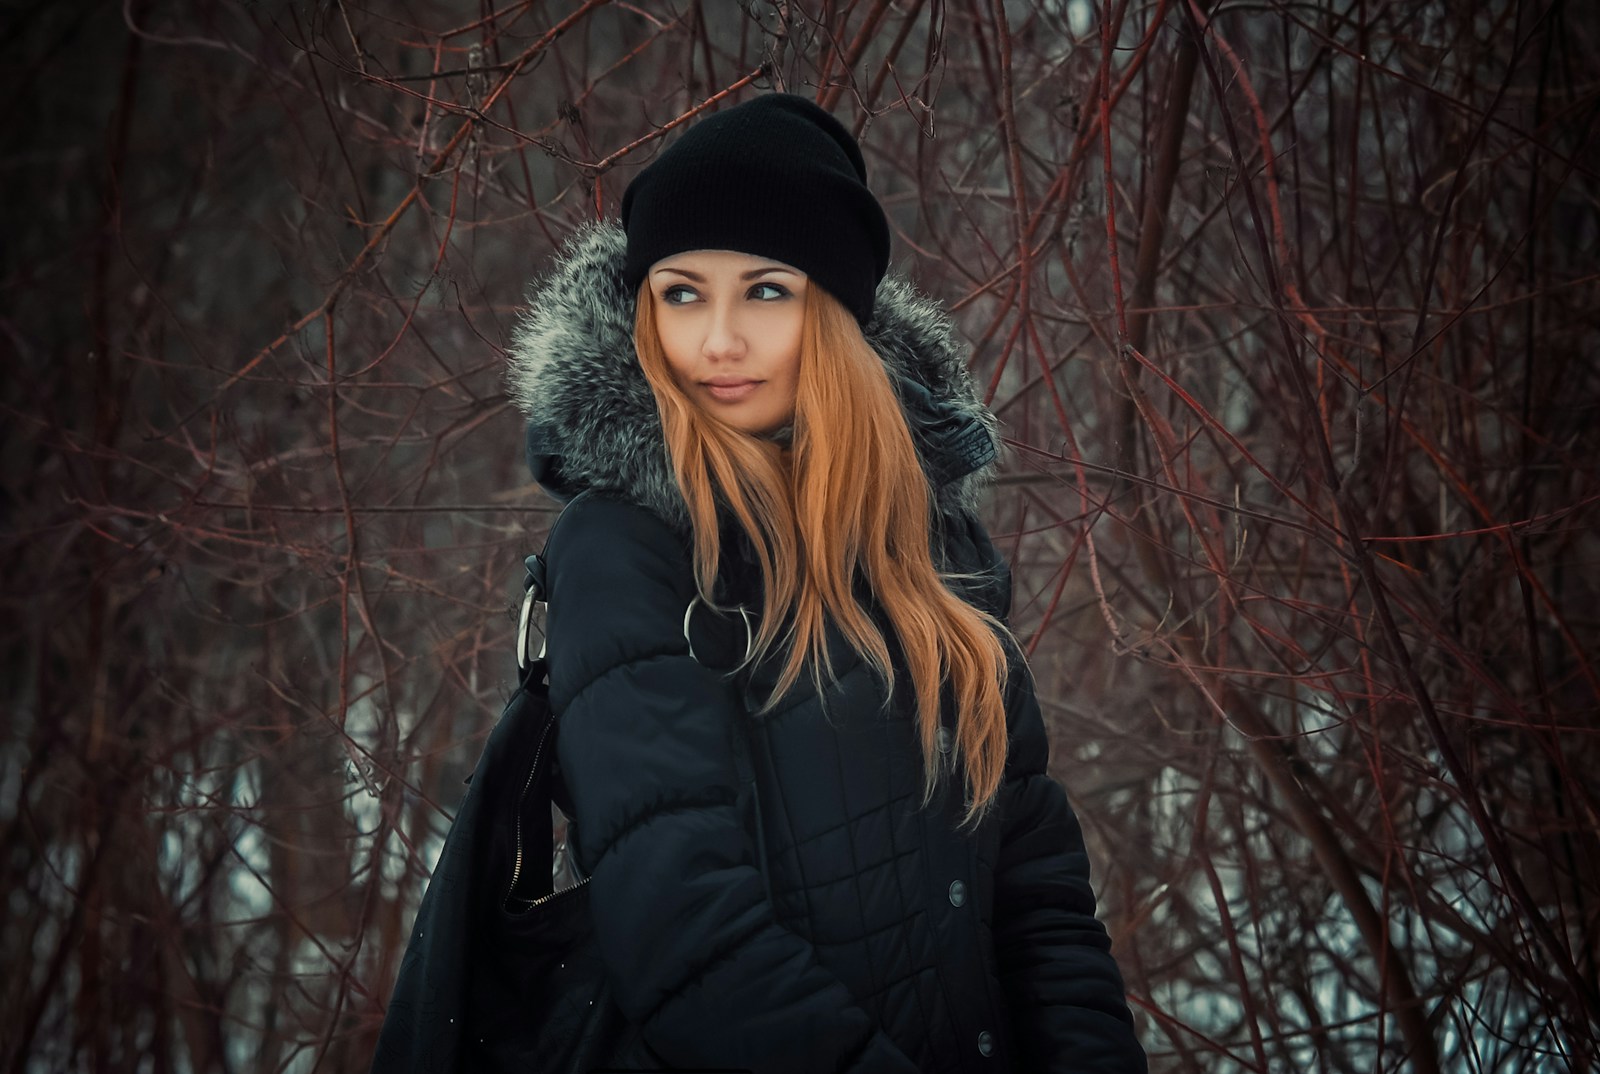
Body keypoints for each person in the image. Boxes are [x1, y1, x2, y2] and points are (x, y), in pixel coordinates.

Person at [507, 93, 1147, 1074]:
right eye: (681, 293)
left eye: (764, 290)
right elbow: (687, 939)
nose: (717, 339)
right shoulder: (625, 549)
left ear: (836, 316)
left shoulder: (934, 553)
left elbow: (1037, 899)